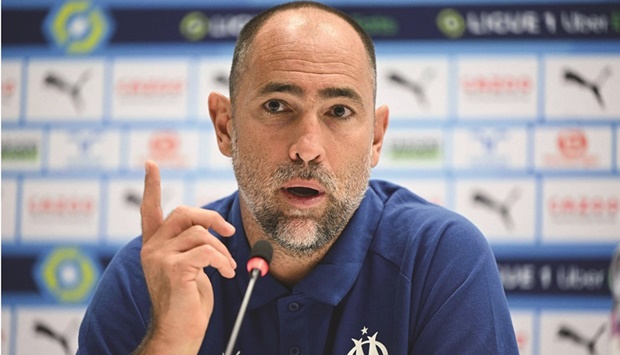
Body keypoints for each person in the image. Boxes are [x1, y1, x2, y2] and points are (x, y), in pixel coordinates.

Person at [77, 1, 519, 354]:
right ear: (225, 126)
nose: (307, 147)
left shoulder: (440, 258)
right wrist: (167, 345)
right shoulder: (154, 276)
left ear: (376, 138)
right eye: (277, 106)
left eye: (339, 112)